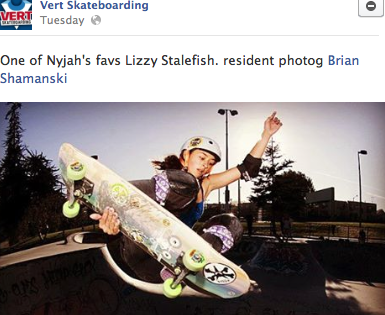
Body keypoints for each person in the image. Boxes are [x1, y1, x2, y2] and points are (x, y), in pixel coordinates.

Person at [91, 111, 283, 281]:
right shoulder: (173, 182)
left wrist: (266, 135)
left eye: (211, 163)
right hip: (139, 251)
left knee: (231, 222)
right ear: (185, 157)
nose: (206, 165)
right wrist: (111, 220)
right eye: (201, 158)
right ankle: (111, 193)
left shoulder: (206, 185)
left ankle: (193, 262)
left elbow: (246, 168)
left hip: (170, 257)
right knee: (187, 184)